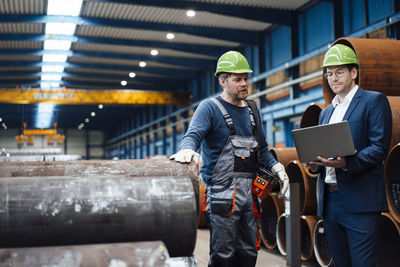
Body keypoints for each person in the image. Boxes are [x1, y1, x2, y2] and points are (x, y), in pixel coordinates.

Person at [170, 51, 289, 267]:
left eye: (246, 78)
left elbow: (262, 149)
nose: (244, 83)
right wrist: (187, 149)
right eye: (237, 79)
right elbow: (193, 135)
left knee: (249, 252)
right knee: (223, 255)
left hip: (250, 196)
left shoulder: (253, 110)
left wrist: (276, 166)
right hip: (222, 197)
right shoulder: (210, 108)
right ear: (223, 81)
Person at [307, 44, 392, 267]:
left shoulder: (374, 101)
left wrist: (347, 162)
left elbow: (379, 148)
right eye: (329, 74)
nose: (333, 78)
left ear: (354, 73)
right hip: (330, 202)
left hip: (360, 202)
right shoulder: (326, 112)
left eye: (339, 72)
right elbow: (321, 153)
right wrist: (314, 163)